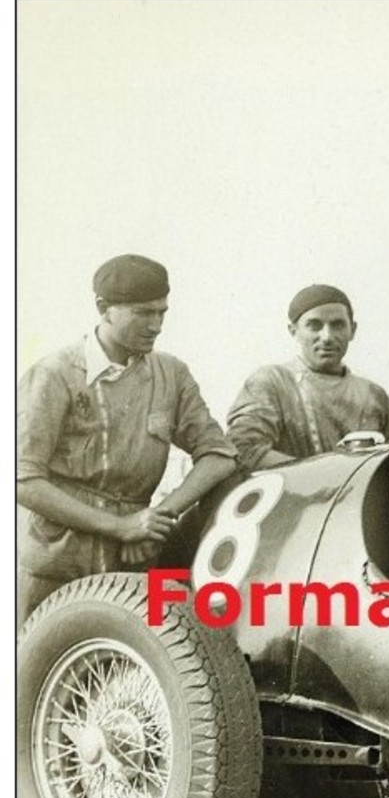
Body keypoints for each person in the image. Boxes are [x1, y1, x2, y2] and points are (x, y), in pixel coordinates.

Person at [16, 253, 239, 625]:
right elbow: (22, 478)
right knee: (42, 671)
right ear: (104, 309)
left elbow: (219, 455)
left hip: (134, 559)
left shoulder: (171, 374)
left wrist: (156, 520)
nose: (156, 325)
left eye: (162, 313)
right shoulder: (56, 373)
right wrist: (120, 527)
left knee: (129, 669)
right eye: (143, 313)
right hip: (55, 562)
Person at [225, 283, 389, 470]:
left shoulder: (374, 396)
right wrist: (325, 474)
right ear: (294, 331)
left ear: (353, 330)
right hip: (296, 496)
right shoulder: (272, 382)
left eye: (338, 325)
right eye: (314, 326)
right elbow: (245, 450)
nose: (327, 336)